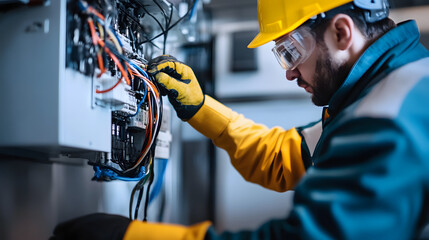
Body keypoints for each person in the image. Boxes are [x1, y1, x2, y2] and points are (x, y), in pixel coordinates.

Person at [51, 0, 429, 239]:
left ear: (342, 32)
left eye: (291, 51)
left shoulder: (387, 118)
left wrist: (134, 236)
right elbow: (285, 157)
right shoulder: (380, 97)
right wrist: (200, 108)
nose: (290, 73)